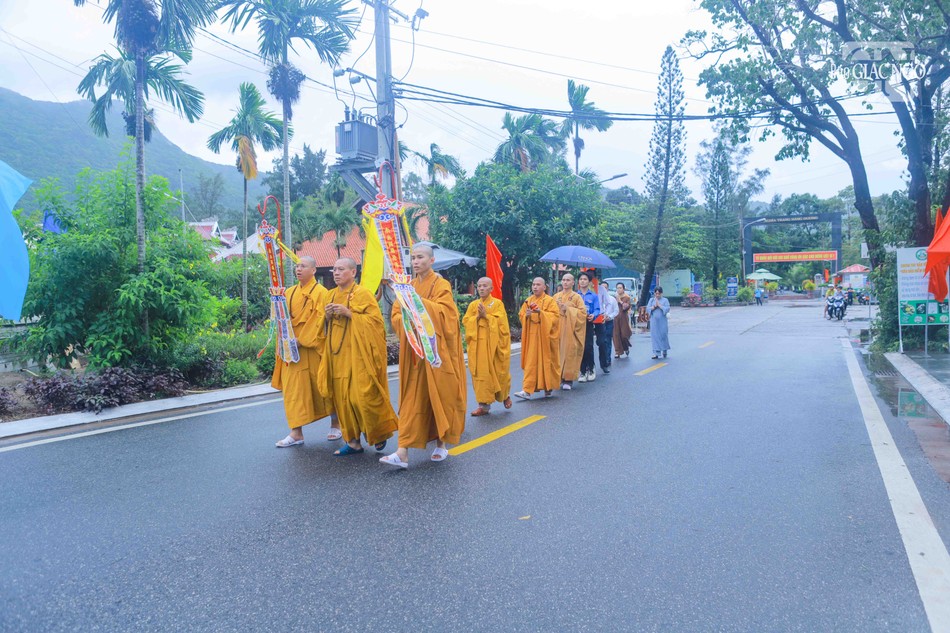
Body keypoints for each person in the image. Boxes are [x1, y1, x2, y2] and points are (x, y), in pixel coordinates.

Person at [380, 244, 466, 469]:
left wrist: (417, 302)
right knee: (411, 400)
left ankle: (441, 443)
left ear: (432, 260)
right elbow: (396, 314)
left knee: (439, 397)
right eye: (413, 258)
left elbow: (447, 315)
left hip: (436, 353)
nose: (416, 261)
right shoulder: (408, 286)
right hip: (414, 354)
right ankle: (402, 452)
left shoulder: (441, 284)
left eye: (420, 257)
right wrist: (407, 312)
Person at [316, 258, 397, 456]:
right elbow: (321, 326)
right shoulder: (330, 295)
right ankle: (352, 441)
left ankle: (379, 433)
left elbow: (376, 324)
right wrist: (327, 316)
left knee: (363, 397)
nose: (336, 273)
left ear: (353, 272)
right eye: (334, 269)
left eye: (341, 269)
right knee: (343, 400)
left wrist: (349, 313)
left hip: (360, 355)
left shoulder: (363, 294)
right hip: (338, 356)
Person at [271, 256, 341, 448]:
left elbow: (319, 319)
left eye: (303, 266)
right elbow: (282, 319)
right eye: (297, 266)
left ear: (313, 270)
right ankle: (296, 432)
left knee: (323, 387)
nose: (298, 269)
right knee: (293, 390)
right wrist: (285, 340)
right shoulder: (289, 292)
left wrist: (301, 341)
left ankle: (336, 423)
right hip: (292, 351)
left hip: (313, 348)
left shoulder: (321, 293)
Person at [461, 277, 512, 416]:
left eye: (484, 286)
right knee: (481, 375)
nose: (481, 288)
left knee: (499, 372)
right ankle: (483, 405)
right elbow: (466, 321)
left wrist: (486, 316)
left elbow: (502, 325)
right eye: (479, 286)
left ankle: (504, 395)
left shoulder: (497, 304)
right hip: (478, 346)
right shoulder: (473, 305)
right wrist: (477, 317)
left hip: (494, 346)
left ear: (491, 289)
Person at [514, 277, 561, 399]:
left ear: (544, 287)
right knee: (531, 363)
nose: (535, 287)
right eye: (533, 284)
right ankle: (527, 390)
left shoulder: (550, 301)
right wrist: (526, 316)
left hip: (545, 337)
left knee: (547, 362)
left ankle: (548, 387)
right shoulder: (528, 301)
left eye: (538, 284)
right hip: (532, 337)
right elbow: (521, 315)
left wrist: (541, 313)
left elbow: (555, 317)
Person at [552, 273, 586, 390]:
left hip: (571, 330)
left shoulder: (577, 297)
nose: (565, 282)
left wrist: (568, 309)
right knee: (556, 353)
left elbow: (583, 313)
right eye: (563, 280)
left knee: (570, 353)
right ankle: (558, 378)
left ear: (573, 283)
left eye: (568, 280)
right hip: (557, 329)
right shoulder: (556, 296)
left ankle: (568, 379)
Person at [576, 272, 602, 382]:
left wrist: (593, 315)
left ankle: (591, 368)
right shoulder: (575, 295)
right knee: (579, 347)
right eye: (581, 279)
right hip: (577, 324)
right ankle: (582, 371)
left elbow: (597, 309)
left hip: (588, 323)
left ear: (589, 282)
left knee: (588, 347)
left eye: (585, 279)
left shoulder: (593, 296)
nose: (582, 281)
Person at [647, 286, 671, 359]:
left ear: (661, 293)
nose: (657, 295)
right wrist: (654, 307)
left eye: (659, 293)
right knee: (655, 336)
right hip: (654, 321)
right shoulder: (651, 300)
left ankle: (664, 350)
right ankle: (656, 353)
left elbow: (667, 309)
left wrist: (660, 306)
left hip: (662, 321)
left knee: (663, 335)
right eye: (656, 293)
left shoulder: (665, 300)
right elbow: (648, 309)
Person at [599, 282, 619, 373]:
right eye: (602, 287)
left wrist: (609, 316)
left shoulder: (612, 299)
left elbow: (616, 311)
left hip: (609, 322)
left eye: (605, 287)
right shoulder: (597, 298)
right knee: (601, 341)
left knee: (607, 340)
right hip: (599, 322)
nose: (603, 289)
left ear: (607, 289)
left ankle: (607, 359)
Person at [613, 282, 633, 358]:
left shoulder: (627, 297)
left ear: (623, 289)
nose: (619, 289)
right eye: (617, 288)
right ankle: (617, 351)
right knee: (616, 334)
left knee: (624, 335)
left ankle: (626, 347)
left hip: (623, 318)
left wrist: (620, 301)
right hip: (615, 317)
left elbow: (626, 307)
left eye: (620, 288)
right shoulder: (614, 297)